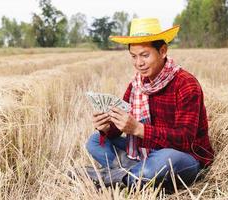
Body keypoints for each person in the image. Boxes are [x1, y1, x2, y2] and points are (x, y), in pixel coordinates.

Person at [85, 18, 214, 190]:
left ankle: (116, 176)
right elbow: (121, 127)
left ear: (162, 51)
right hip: (144, 151)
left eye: (145, 55)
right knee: (94, 142)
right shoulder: (136, 84)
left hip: (184, 156)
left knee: (164, 161)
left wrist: (139, 129)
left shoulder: (185, 84)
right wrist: (107, 126)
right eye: (134, 56)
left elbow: (185, 139)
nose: (139, 63)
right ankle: (133, 173)